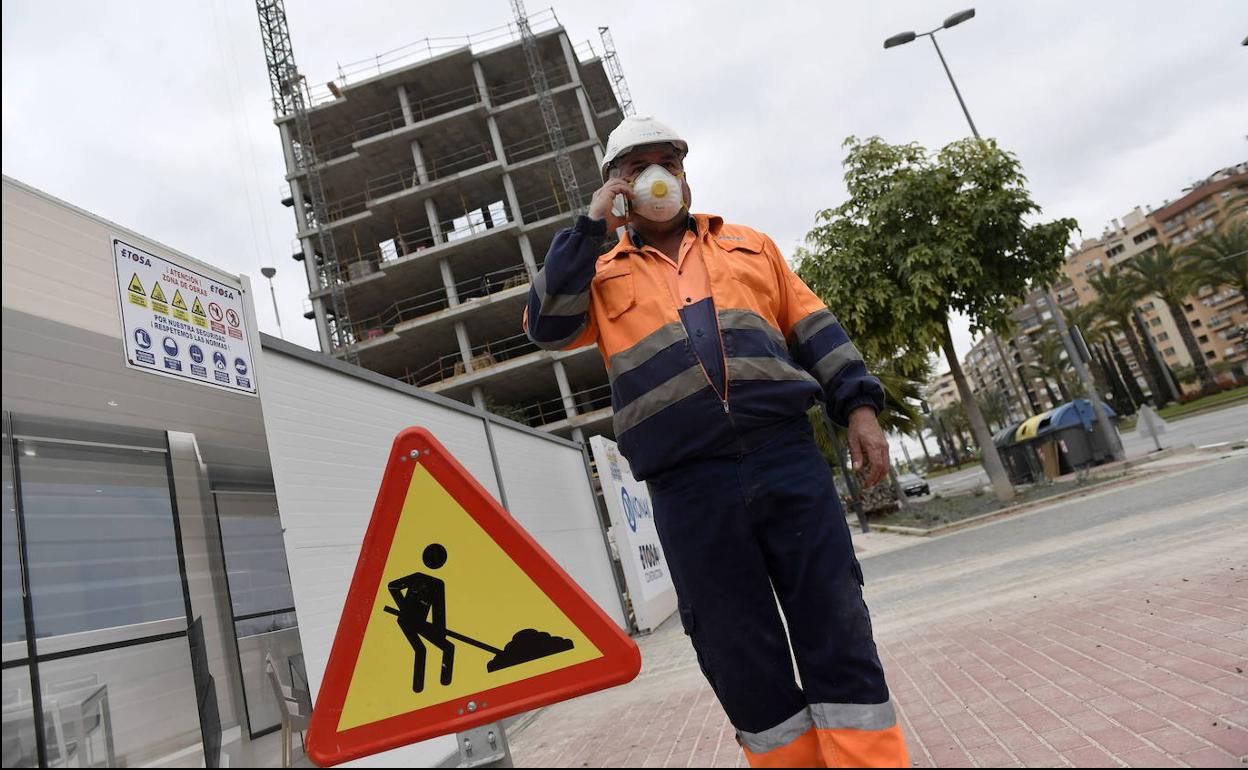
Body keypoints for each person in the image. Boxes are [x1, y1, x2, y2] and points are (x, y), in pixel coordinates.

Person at [523, 116, 909, 768]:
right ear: (618, 185)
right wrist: (592, 225)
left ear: (684, 171)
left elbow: (815, 328)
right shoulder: (599, 268)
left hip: (785, 456)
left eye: (667, 162)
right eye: (636, 167)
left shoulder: (749, 246)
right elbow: (544, 325)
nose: (657, 177)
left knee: (835, 624)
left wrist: (862, 410)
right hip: (688, 484)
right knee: (737, 650)